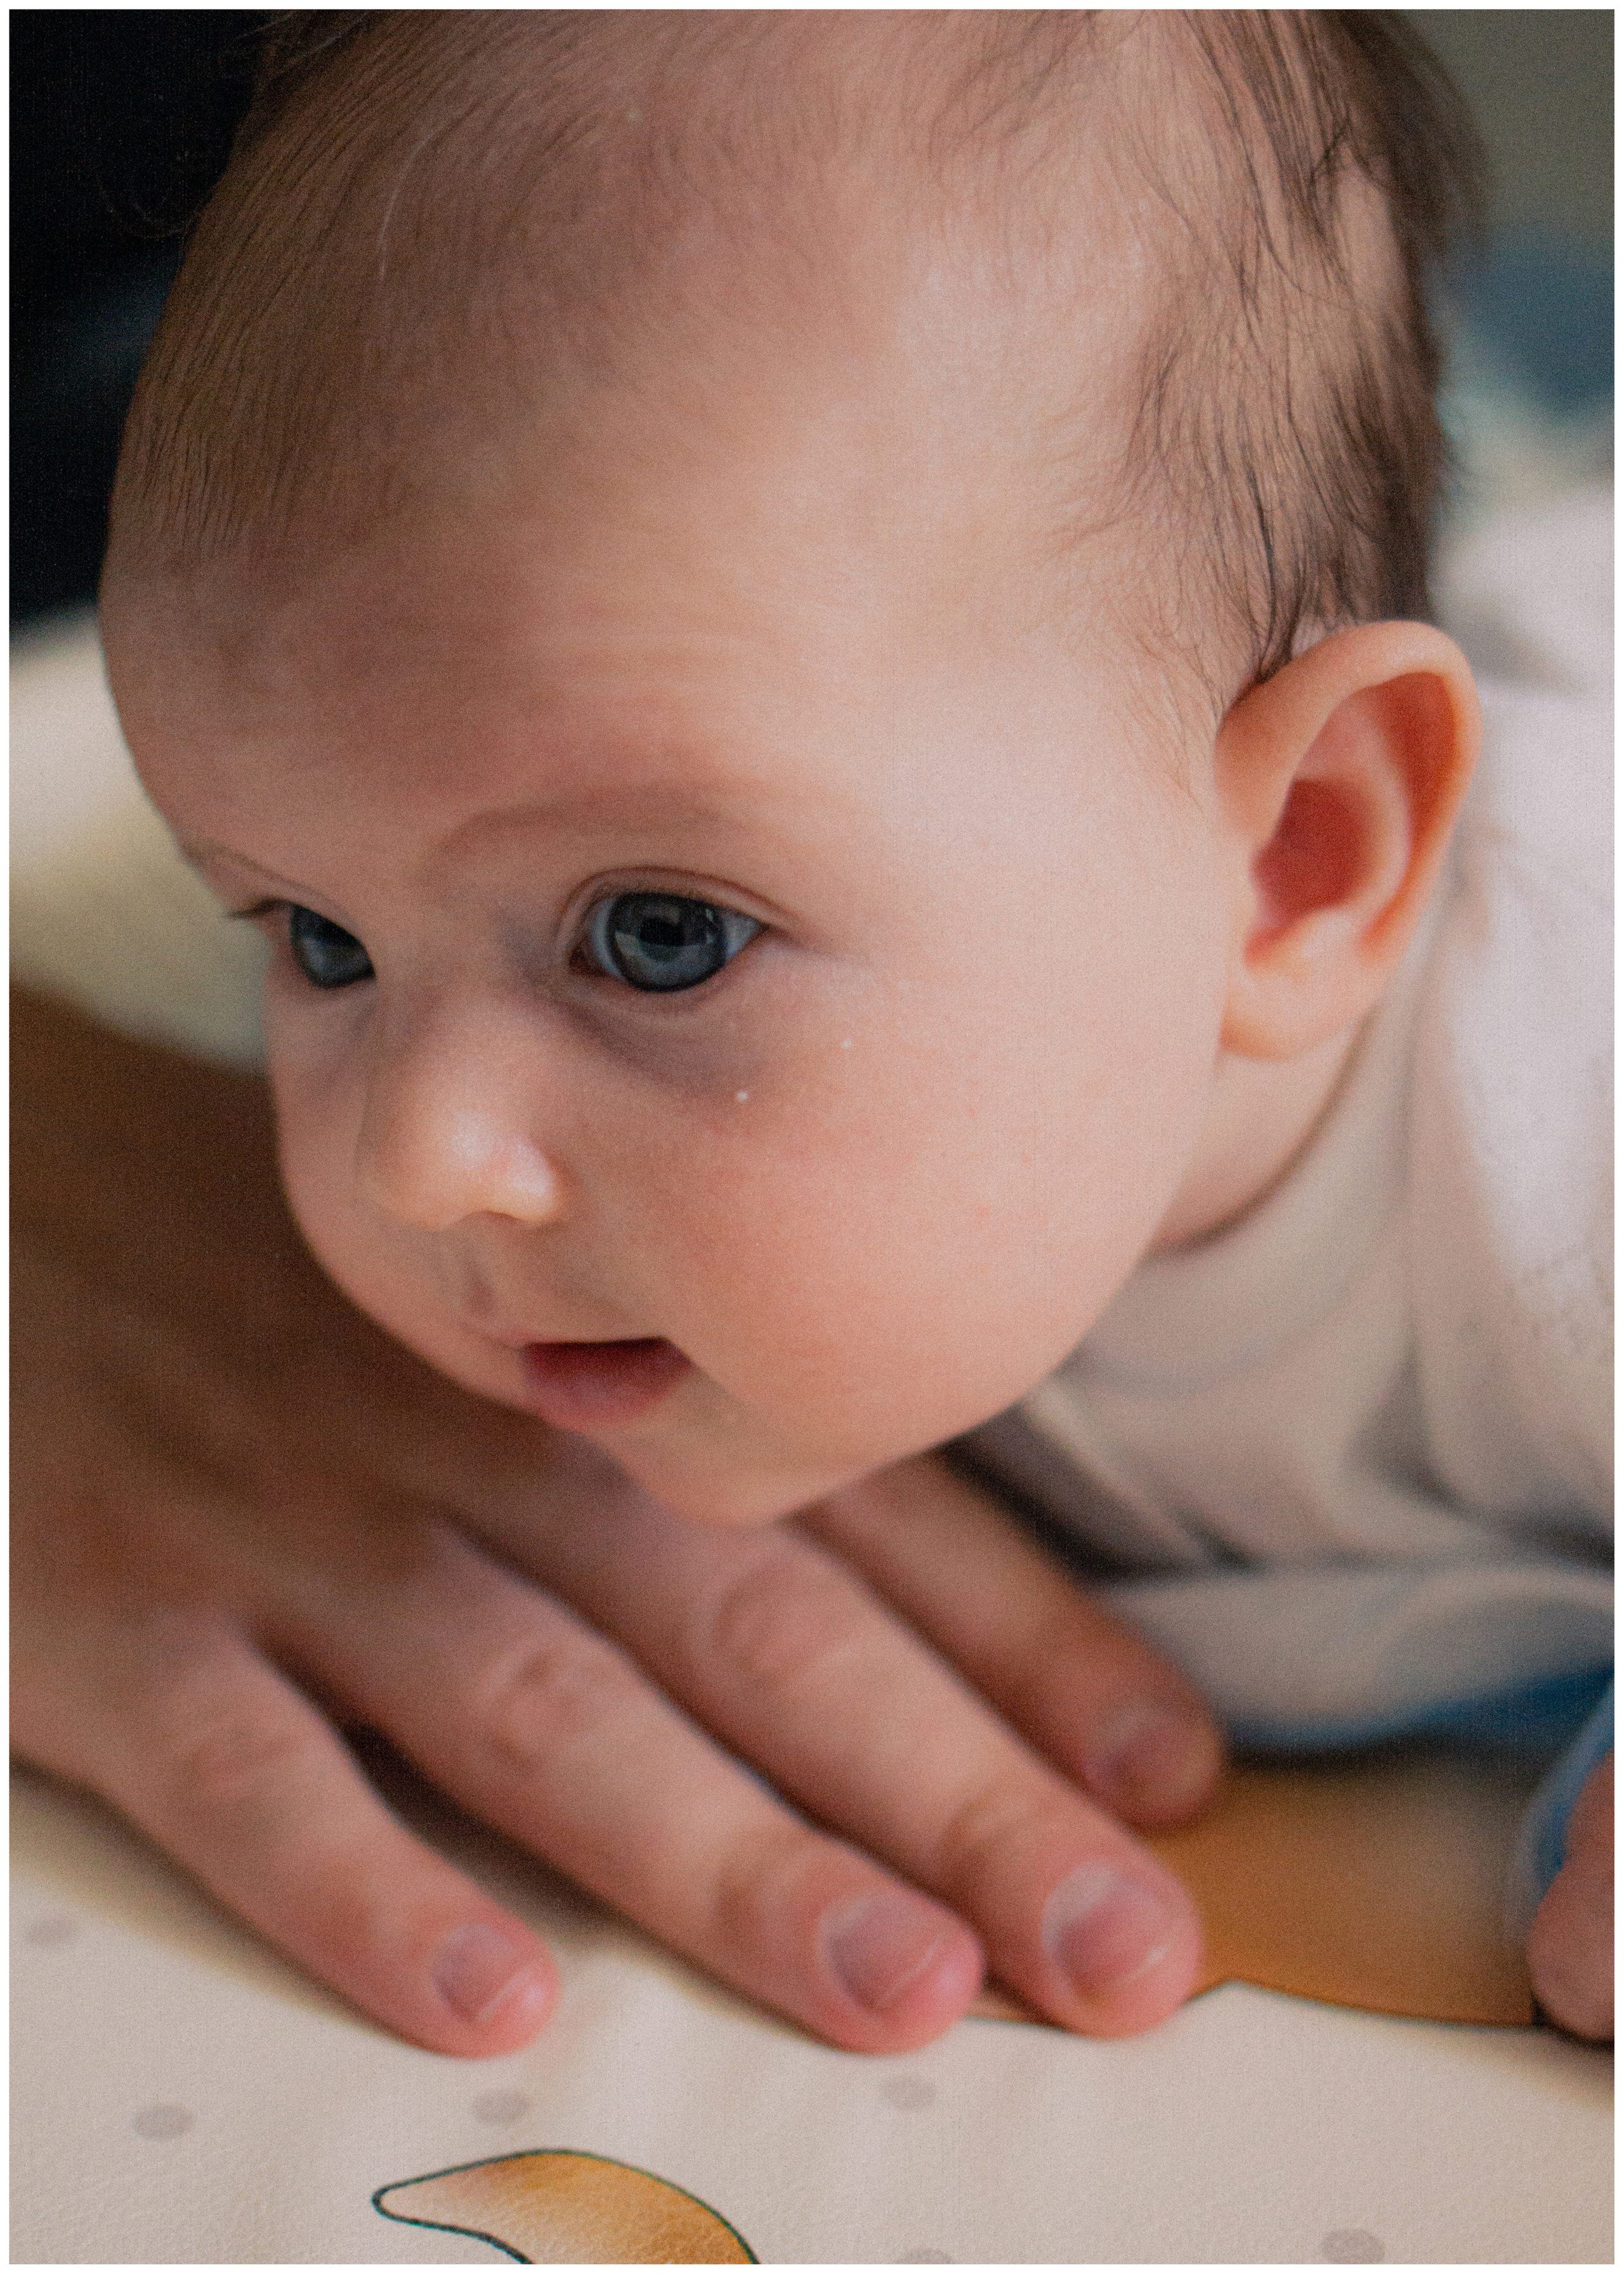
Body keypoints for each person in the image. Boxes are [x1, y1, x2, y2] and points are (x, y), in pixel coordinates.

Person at [16, 10, 1610, 2060]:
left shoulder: (1557, 1094)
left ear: (1296, 862)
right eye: (318, 939)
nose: (415, 1155)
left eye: (658, 937)